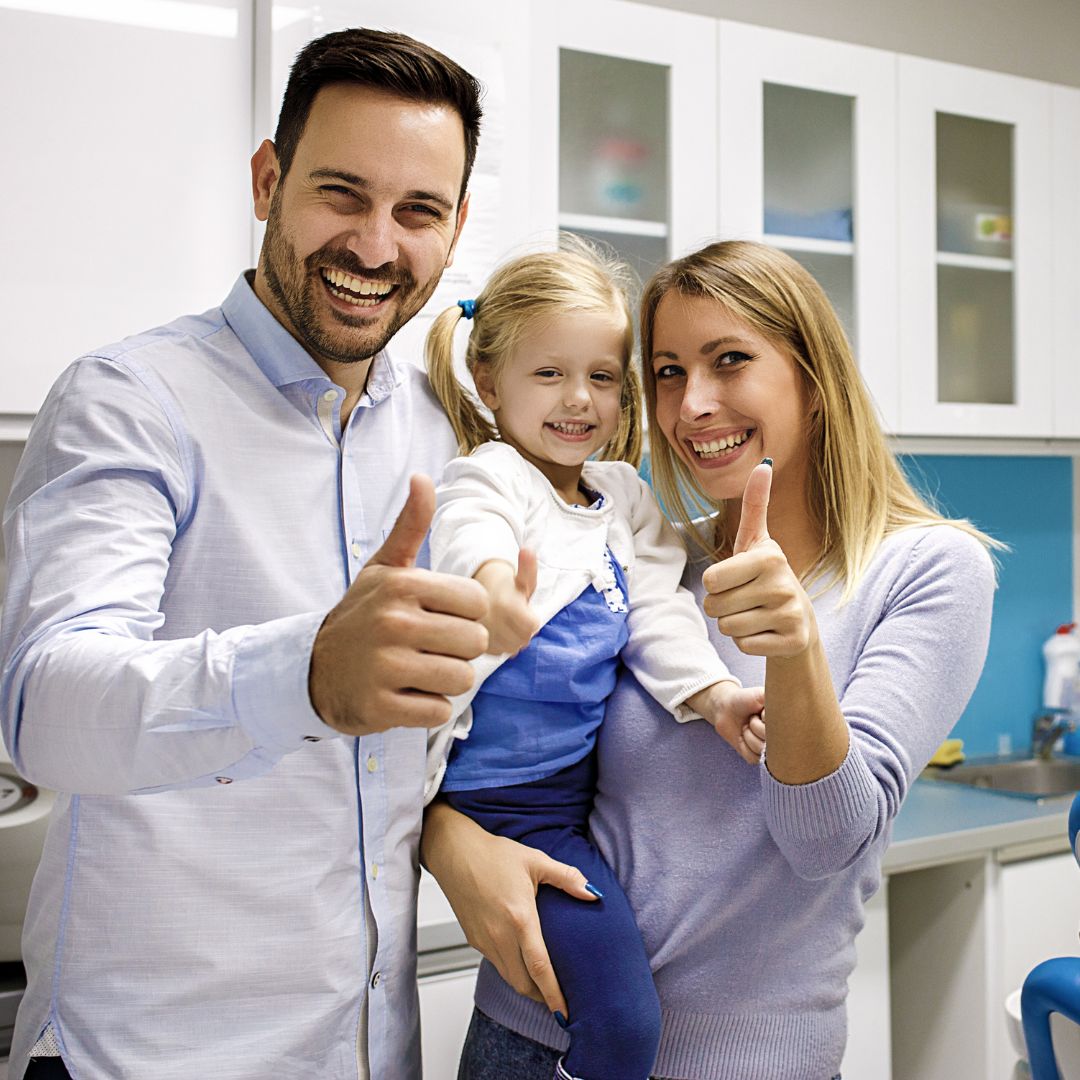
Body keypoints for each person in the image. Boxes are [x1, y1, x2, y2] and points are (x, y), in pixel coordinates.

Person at [0, 27, 584, 1080]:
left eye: (416, 212)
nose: (373, 246)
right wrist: (307, 675)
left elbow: (421, 741)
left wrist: (452, 827)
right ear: (268, 180)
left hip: (364, 1052)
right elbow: (45, 708)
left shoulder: (448, 442)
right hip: (149, 1056)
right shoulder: (132, 403)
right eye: (340, 194)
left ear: (454, 229)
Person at [421, 239, 999, 1080]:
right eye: (664, 371)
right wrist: (444, 835)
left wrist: (794, 649)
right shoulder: (640, 555)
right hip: (523, 1034)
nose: (692, 404)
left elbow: (824, 842)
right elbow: (519, 757)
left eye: (729, 361)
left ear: (813, 372)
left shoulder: (929, 571)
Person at [422, 243, 767, 1080]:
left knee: (617, 1019)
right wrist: (494, 592)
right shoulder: (491, 475)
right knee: (622, 1024)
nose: (580, 401)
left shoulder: (623, 498)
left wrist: (717, 694)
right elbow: (474, 533)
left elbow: (658, 609)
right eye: (549, 374)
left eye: (605, 377)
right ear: (487, 375)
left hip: (566, 809)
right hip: (493, 809)